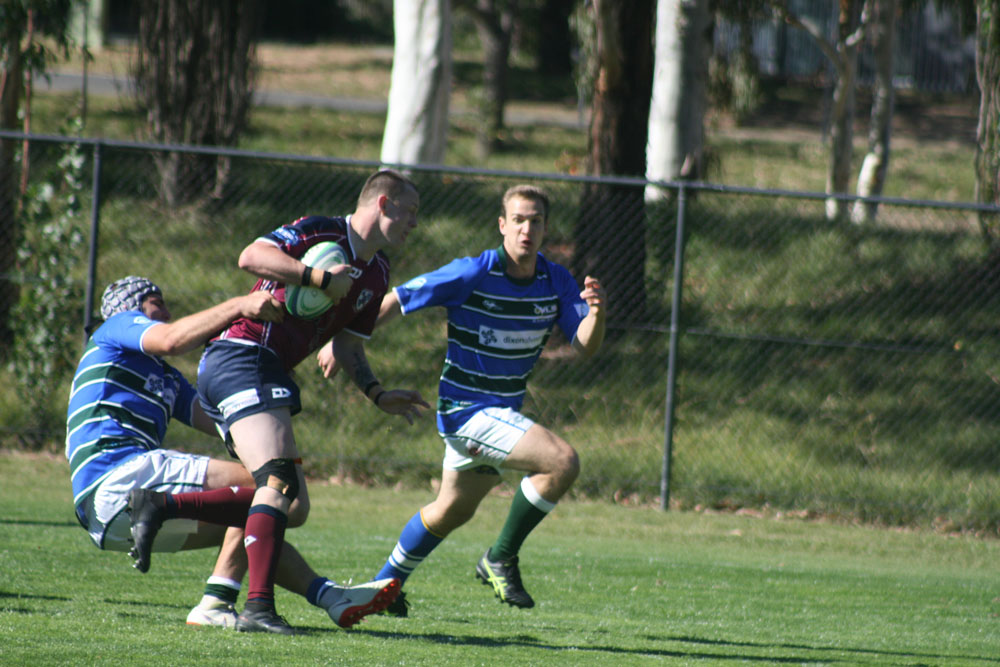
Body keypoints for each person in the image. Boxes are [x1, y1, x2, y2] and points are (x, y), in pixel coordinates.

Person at [128, 169, 431, 635]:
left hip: (263, 368)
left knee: (290, 504)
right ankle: (259, 608)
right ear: (383, 204)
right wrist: (318, 277)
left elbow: (348, 344)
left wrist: (377, 393)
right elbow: (251, 256)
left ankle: (177, 530)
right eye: (409, 212)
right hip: (242, 354)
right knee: (278, 481)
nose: (415, 223)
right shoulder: (323, 231)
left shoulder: (379, 272)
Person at [319, 184, 607, 616]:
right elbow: (398, 300)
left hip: (500, 416)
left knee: (451, 511)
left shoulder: (556, 281)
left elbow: (585, 346)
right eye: (519, 220)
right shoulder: (473, 272)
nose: (527, 229)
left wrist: (597, 314)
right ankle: (500, 557)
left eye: (536, 221)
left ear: (545, 228)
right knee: (562, 462)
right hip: (466, 412)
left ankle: (384, 586)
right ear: (502, 225)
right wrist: (343, 338)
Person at [67, 276, 400, 631]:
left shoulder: (167, 379)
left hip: (107, 520)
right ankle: (161, 508)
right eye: (156, 303)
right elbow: (171, 339)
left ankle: (319, 597)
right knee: (270, 487)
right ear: (130, 308)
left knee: (262, 511)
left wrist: (266, 387)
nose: (166, 312)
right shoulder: (115, 328)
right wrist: (241, 305)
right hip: (115, 478)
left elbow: (229, 422)